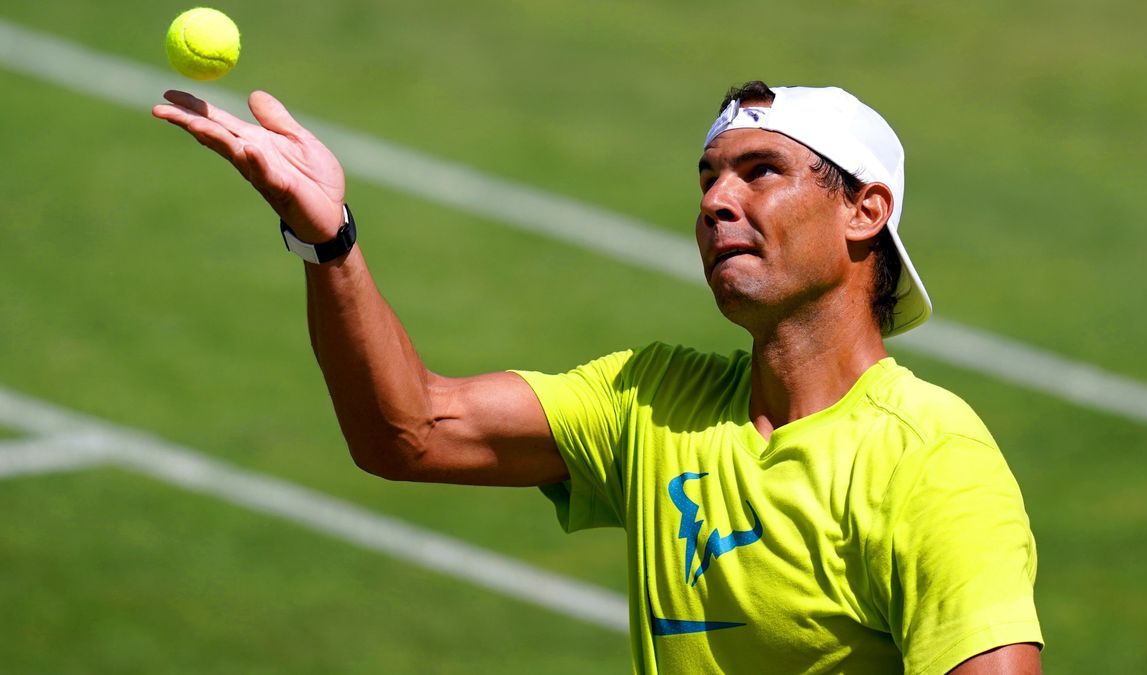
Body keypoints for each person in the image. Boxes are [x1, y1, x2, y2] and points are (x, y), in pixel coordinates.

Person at [152, 80, 1042, 673]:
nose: (715, 201)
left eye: (759, 171)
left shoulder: (931, 459)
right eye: (708, 178)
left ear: (864, 210)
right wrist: (327, 241)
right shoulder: (655, 402)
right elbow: (409, 430)